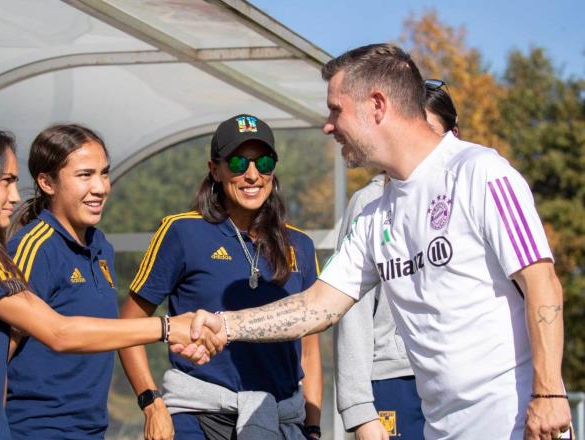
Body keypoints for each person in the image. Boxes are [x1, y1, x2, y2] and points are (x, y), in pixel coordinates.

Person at [184, 44, 571, 440]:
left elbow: (542, 282)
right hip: (442, 425)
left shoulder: (480, 172)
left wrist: (548, 392)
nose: (328, 125)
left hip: (517, 418)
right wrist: (225, 325)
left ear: (377, 105)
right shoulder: (373, 213)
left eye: (336, 109)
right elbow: (318, 306)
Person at [0, 123, 221, 439]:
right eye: (6, 181)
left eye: (104, 173)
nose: (16, 197)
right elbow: (59, 332)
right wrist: (166, 328)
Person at [119, 114, 323, 440]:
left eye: (264, 162)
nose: (252, 175)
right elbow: (128, 326)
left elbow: (310, 349)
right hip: (196, 418)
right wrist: (151, 403)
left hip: (279, 420)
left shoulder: (300, 244)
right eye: (239, 162)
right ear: (215, 169)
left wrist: (312, 427)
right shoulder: (182, 231)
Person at [335, 82, 460, 440]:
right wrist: (359, 409)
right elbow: (347, 309)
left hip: (458, 381)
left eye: (432, 133)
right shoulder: (368, 205)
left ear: (453, 135)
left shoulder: (472, 185)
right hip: (393, 381)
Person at [4, 124, 121, 438]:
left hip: (91, 429)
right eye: (85, 175)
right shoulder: (35, 248)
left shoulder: (101, 247)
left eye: (104, 173)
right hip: (36, 429)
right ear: (47, 182)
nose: (100, 187)